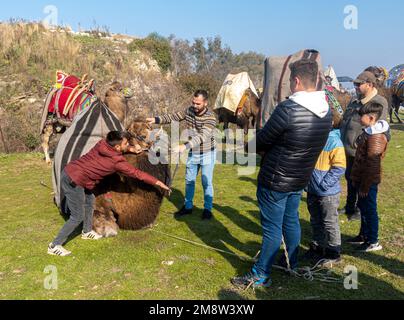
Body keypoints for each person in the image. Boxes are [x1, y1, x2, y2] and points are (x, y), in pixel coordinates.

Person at [231, 59, 332, 289]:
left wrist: (247, 146)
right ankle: (291, 261)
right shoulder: (327, 111)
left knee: (272, 229)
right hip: (299, 178)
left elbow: (263, 140)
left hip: (276, 179)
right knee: (291, 220)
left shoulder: (288, 109)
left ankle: (260, 275)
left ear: (296, 81)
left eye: (289, 81)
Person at [48, 131, 170, 256]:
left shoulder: (102, 144)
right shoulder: (116, 162)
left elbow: (121, 149)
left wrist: (132, 149)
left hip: (76, 173)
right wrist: (158, 183)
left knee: (90, 202)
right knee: (77, 216)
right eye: (126, 143)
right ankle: (54, 245)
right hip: (74, 180)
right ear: (117, 147)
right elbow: (137, 174)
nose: (127, 145)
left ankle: (86, 231)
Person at [147, 90, 217, 220]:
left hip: (207, 152)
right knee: (189, 180)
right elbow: (173, 117)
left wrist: (184, 146)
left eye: (198, 104)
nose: (195, 106)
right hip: (193, 152)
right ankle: (188, 207)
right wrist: (156, 119)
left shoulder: (211, 118)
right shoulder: (189, 111)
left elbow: (202, 136)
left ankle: (207, 209)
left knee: (206, 181)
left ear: (205, 103)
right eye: (193, 102)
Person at [340, 71, 388, 225]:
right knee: (350, 178)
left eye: (359, 84)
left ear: (370, 84)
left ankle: (360, 209)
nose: (356, 86)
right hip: (348, 150)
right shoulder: (355, 101)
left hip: (361, 152)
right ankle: (349, 206)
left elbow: (379, 128)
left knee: (361, 182)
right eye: (355, 84)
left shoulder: (378, 102)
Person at [305, 108, 346, 267]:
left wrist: (324, 184)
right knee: (315, 220)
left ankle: (333, 251)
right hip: (312, 189)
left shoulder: (334, 142)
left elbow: (339, 167)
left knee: (329, 221)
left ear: (330, 122)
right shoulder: (314, 138)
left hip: (327, 192)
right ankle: (318, 246)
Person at [350, 103, 390, 252]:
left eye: (362, 116)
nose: (359, 118)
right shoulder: (369, 132)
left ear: (371, 117)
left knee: (370, 209)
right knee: (363, 207)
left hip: (368, 181)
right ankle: (363, 235)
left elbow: (373, 164)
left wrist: (365, 186)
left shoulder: (376, 137)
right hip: (362, 179)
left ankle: (373, 241)